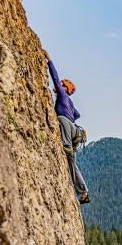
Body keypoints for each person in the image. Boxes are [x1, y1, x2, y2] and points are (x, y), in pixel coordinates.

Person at [45, 50, 90, 204]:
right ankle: (83, 193)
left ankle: (66, 145)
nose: (58, 86)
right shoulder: (69, 102)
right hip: (75, 132)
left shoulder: (63, 97)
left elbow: (55, 78)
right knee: (72, 165)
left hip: (69, 134)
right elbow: (77, 115)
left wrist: (49, 61)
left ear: (64, 88)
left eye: (62, 85)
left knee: (61, 118)